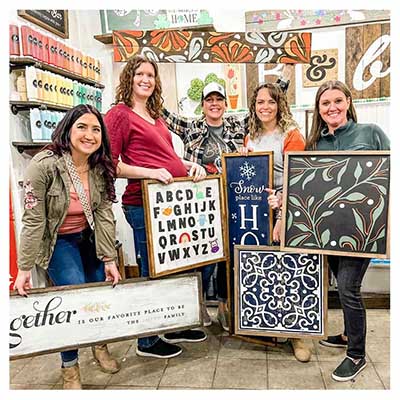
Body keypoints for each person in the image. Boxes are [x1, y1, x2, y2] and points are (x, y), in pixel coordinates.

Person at [269, 80, 390, 381]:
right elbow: (303, 187)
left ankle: (356, 355)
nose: (332, 107)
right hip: (329, 231)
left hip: (363, 231)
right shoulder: (315, 144)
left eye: (338, 101)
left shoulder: (370, 133)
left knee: (348, 287)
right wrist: (282, 200)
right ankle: (349, 335)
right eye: (325, 103)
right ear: (318, 109)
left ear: (348, 102)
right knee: (340, 282)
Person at [162, 69, 292, 332]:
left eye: (219, 99)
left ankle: (226, 305)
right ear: (203, 104)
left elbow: (266, 107)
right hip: (202, 203)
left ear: (225, 103)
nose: (214, 103)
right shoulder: (191, 126)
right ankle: (197, 304)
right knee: (203, 256)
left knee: (230, 255)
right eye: (209, 99)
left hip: (237, 201)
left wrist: (283, 82)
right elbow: (164, 116)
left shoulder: (237, 124)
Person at [104, 55, 208, 360]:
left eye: (151, 75)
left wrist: (189, 164)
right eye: (140, 74)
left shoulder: (154, 114)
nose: (146, 79)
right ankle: (146, 340)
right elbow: (110, 164)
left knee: (174, 267)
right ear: (129, 78)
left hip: (170, 203)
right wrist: (150, 173)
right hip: (143, 203)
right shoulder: (119, 115)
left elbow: (163, 156)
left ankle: (174, 324)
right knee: (152, 271)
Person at [13, 104, 122, 390]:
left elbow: (104, 214)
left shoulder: (99, 165)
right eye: (82, 127)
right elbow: (34, 220)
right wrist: (24, 268)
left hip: (90, 237)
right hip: (59, 242)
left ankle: (99, 345)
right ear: (67, 129)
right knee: (72, 302)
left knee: (100, 293)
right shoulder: (43, 165)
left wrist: (109, 257)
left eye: (96, 129)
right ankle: (70, 367)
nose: (89, 135)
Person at [240, 82, 311, 363]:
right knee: (263, 269)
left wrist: (281, 215)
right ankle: (267, 327)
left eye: (270, 101)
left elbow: (299, 179)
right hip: (258, 211)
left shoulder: (292, 135)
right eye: (259, 102)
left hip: (287, 210)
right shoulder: (251, 136)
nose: (265, 107)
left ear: (280, 104)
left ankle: (297, 335)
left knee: (289, 270)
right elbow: (249, 175)